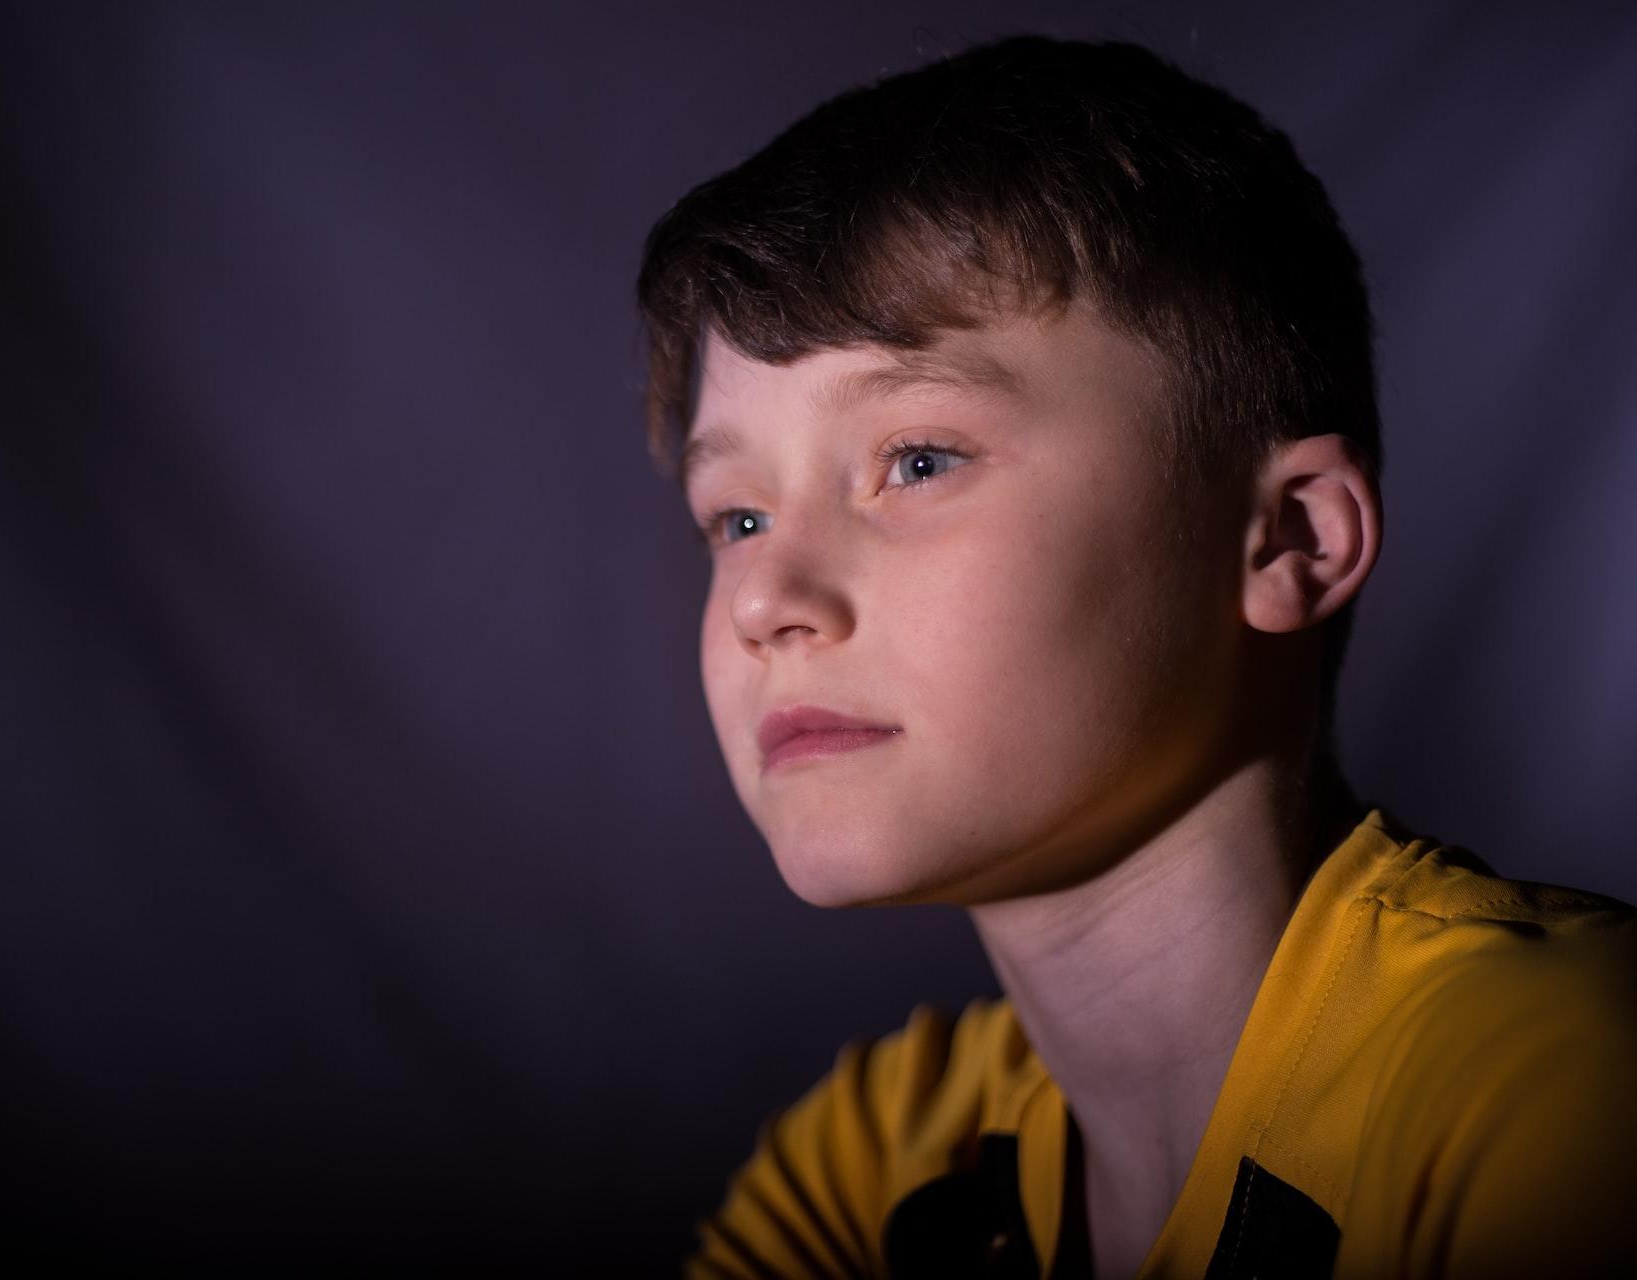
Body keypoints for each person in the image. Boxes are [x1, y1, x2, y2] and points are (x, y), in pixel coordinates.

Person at [635, 35, 1637, 1280]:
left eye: (919, 459)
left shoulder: (1549, 1081)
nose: (765, 599)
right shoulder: (878, 1162)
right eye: (735, 516)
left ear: (1286, 541)